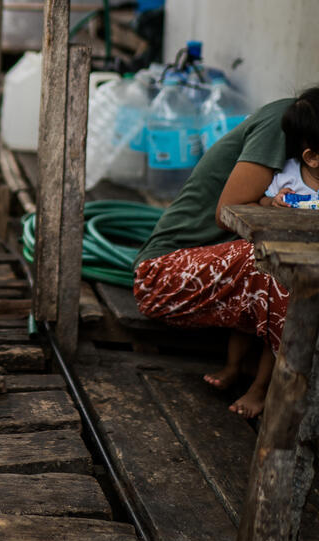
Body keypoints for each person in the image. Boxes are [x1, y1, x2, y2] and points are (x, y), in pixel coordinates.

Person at [133, 86, 319, 418]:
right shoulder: (281, 122)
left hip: (217, 273)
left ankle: (273, 384)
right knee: (272, 261)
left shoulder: (304, 130)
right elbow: (227, 213)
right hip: (163, 276)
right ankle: (289, 397)